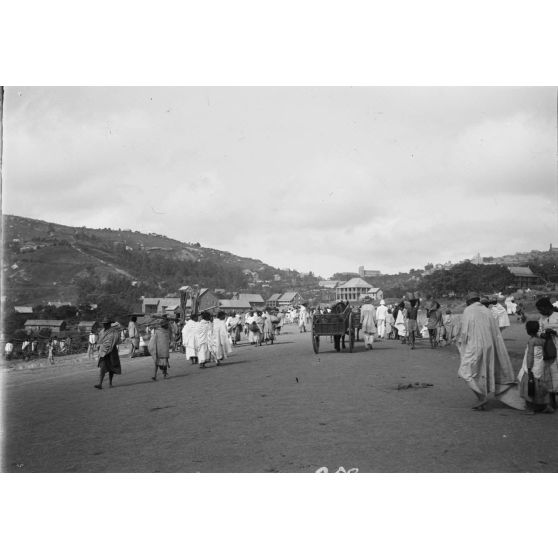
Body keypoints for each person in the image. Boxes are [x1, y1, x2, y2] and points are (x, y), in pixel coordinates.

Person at [457, 292, 523, 411]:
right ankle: (481, 401)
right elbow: (495, 332)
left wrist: (461, 344)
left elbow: (464, 332)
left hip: (475, 346)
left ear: (468, 301)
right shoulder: (487, 310)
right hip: (489, 345)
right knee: (483, 371)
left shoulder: (468, 310)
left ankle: (481, 397)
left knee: (465, 372)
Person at [517, 320, 554, 414]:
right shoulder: (542, 340)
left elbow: (530, 355)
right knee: (540, 387)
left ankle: (530, 408)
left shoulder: (532, 341)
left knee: (529, 387)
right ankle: (545, 406)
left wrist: (529, 369)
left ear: (528, 330)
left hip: (532, 367)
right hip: (541, 366)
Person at [535, 297, 558, 409]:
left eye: (541, 309)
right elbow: (538, 331)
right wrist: (542, 334)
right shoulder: (541, 318)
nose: (540, 311)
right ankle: (552, 400)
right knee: (549, 375)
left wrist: (555, 332)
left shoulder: (557, 316)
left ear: (547, 307)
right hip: (548, 350)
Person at [95, 317, 121, 389]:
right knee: (102, 367)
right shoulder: (101, 332)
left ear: (109, 324)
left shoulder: (114, 332)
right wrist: (99, 346)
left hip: (112, 351)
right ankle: (100, 384)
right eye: (104, 324)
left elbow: (117, 340)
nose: (105, 325)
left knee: (111, 368)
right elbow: (99, 341)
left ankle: (110, 383)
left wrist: (109, 344)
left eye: (106, 324)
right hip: (103, 352)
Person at [148, 316, 171, 380]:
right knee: (162, 363)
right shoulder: (162, 331)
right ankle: (159, 375)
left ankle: (157, 375)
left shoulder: (159, 331)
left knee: (157, 364)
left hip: (161, 350)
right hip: (162, 350)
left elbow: (153, 340)